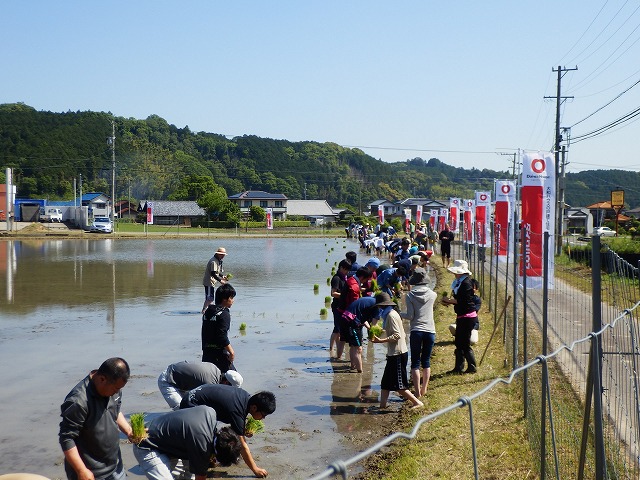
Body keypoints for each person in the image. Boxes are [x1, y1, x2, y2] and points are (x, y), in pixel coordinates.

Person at [59, 358, 133, 480]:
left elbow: (114, 411)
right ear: (102, 379)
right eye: (115, 389)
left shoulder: (113, 388)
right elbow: (67, 438)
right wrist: (81, 470)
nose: (117, 392)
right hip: (92, 473)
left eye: (120, 389)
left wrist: (128, 430)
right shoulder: (78, 401)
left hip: (115, 466)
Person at [180, 385, 276, 478]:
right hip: (191, 404)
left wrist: (241, 430)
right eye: (263, 415)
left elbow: (236, 427)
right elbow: (243, 446)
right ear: (254, 408)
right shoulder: (237, 410)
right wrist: (255, 469)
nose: (263, 418)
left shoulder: (246, 398)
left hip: (194, 395)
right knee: (203, 439)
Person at [133, 406, 242, 480]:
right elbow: (200, 477)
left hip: (167, 440)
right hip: (147, 444)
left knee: (186, 475)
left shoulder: (210, 413)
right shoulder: (202, 447)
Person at [371, 293, 424, 410]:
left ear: (381, 306)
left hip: (398, 354)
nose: (378, 308)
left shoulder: (391, 315)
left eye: (379, 306)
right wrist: (379, 331)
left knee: (400, 386)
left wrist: (381, 340)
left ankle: (417, 402)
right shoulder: (389, 314)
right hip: (392, 353)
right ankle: (382, 406)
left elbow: (397, 335)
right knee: (385, 383)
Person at [401, 267, 437, 398]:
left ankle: (416, 391)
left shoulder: (410, 295)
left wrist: (399, 314)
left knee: (415, 362)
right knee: (426, 361)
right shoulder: (433, 294)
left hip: (416, 331)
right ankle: (424, 388)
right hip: (430, 331)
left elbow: (410, 316)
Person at [158, 360, 244, 410]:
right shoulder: (209, 384)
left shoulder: (215, 369)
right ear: (226, 382)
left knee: (190, 409)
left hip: (179, 378)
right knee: (182, 411)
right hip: (168, 380)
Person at [441, 260, 478, 374]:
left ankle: (472, 367)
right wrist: (449, 301)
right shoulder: (460, 282)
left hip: (468, 316)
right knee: (458, 342)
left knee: (464, 343)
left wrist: (449, 301)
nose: (454, 274)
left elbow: (463, 301)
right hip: (462, 315)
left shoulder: (466, 283)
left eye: (456, 272)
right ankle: (458, 367)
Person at [342, 295, 387, 372]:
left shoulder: (370, 300)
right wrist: (382, 331)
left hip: (346, 318)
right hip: (352, 322)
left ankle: (353, 366)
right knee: (358, 348)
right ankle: (360, 372)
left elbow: (365, 321)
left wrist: (370, 329)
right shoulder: (377, 307)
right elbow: (374, 325)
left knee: (353, 346)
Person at [202, 283, 237, 372]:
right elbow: (221, 335)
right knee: (234, 380)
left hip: (206, 354)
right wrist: (231, 352)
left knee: (209, 382)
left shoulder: (208, 312)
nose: (233, 301)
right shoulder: (224, 314)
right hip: (219, 355)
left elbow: (204, 333)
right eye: (231, 298)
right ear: (224, 299)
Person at [329, 259, 351, 360]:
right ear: (341, 268)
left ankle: (332, 348)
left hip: (342, 306)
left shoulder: (345, 277)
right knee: (337, 329)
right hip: (337, 306)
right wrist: (345, 296)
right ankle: (333, 349)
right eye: (345, 269)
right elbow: (333, 293)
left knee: (337, 328)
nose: (347, 272)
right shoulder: (337, 278)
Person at [201, 247, 228, 313]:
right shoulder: (214, 262)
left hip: (211, 282)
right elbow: (213, 274)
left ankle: (208, 310)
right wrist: (220, 280)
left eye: (224, 255)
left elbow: (216, 272)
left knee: (210, 298)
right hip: (209, 282)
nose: (223, 256)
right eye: (222, 255)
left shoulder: (217, 260)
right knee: (210, 298)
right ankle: (204, 310)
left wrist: (222, 276)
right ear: (218, 254)